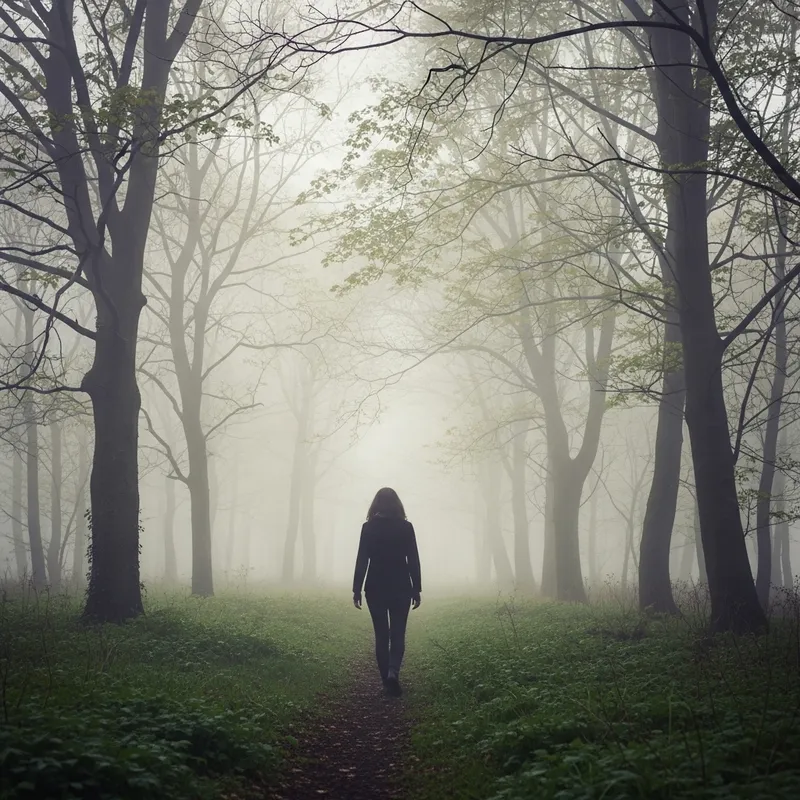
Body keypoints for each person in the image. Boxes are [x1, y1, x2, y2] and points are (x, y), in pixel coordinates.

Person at [352, 487, 422, 697]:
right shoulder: (406, 527)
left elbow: (362, 560)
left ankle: (385, 680)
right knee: (398, 633)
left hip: (375, 587)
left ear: (376, 505)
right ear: (397, 505)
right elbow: (413, 560)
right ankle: (393, 672)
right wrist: (416, 588)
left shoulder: (368, 528)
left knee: (381, 635)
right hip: (401, 585)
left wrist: (357, 589)